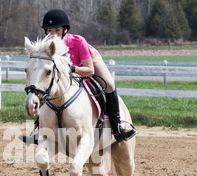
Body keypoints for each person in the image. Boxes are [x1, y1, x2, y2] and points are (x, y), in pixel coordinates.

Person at [21, 9, 137, 144]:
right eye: (49, 31)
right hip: (68, 77)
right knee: (44, 90)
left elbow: (89, 70)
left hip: (88, 61)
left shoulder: (78, 42)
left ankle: (118, 126)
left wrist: (73, 69)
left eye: (57, 30)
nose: (53, 34)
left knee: (109, 85)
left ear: (65, 30)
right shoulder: (47, 47)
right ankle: (39, 130)